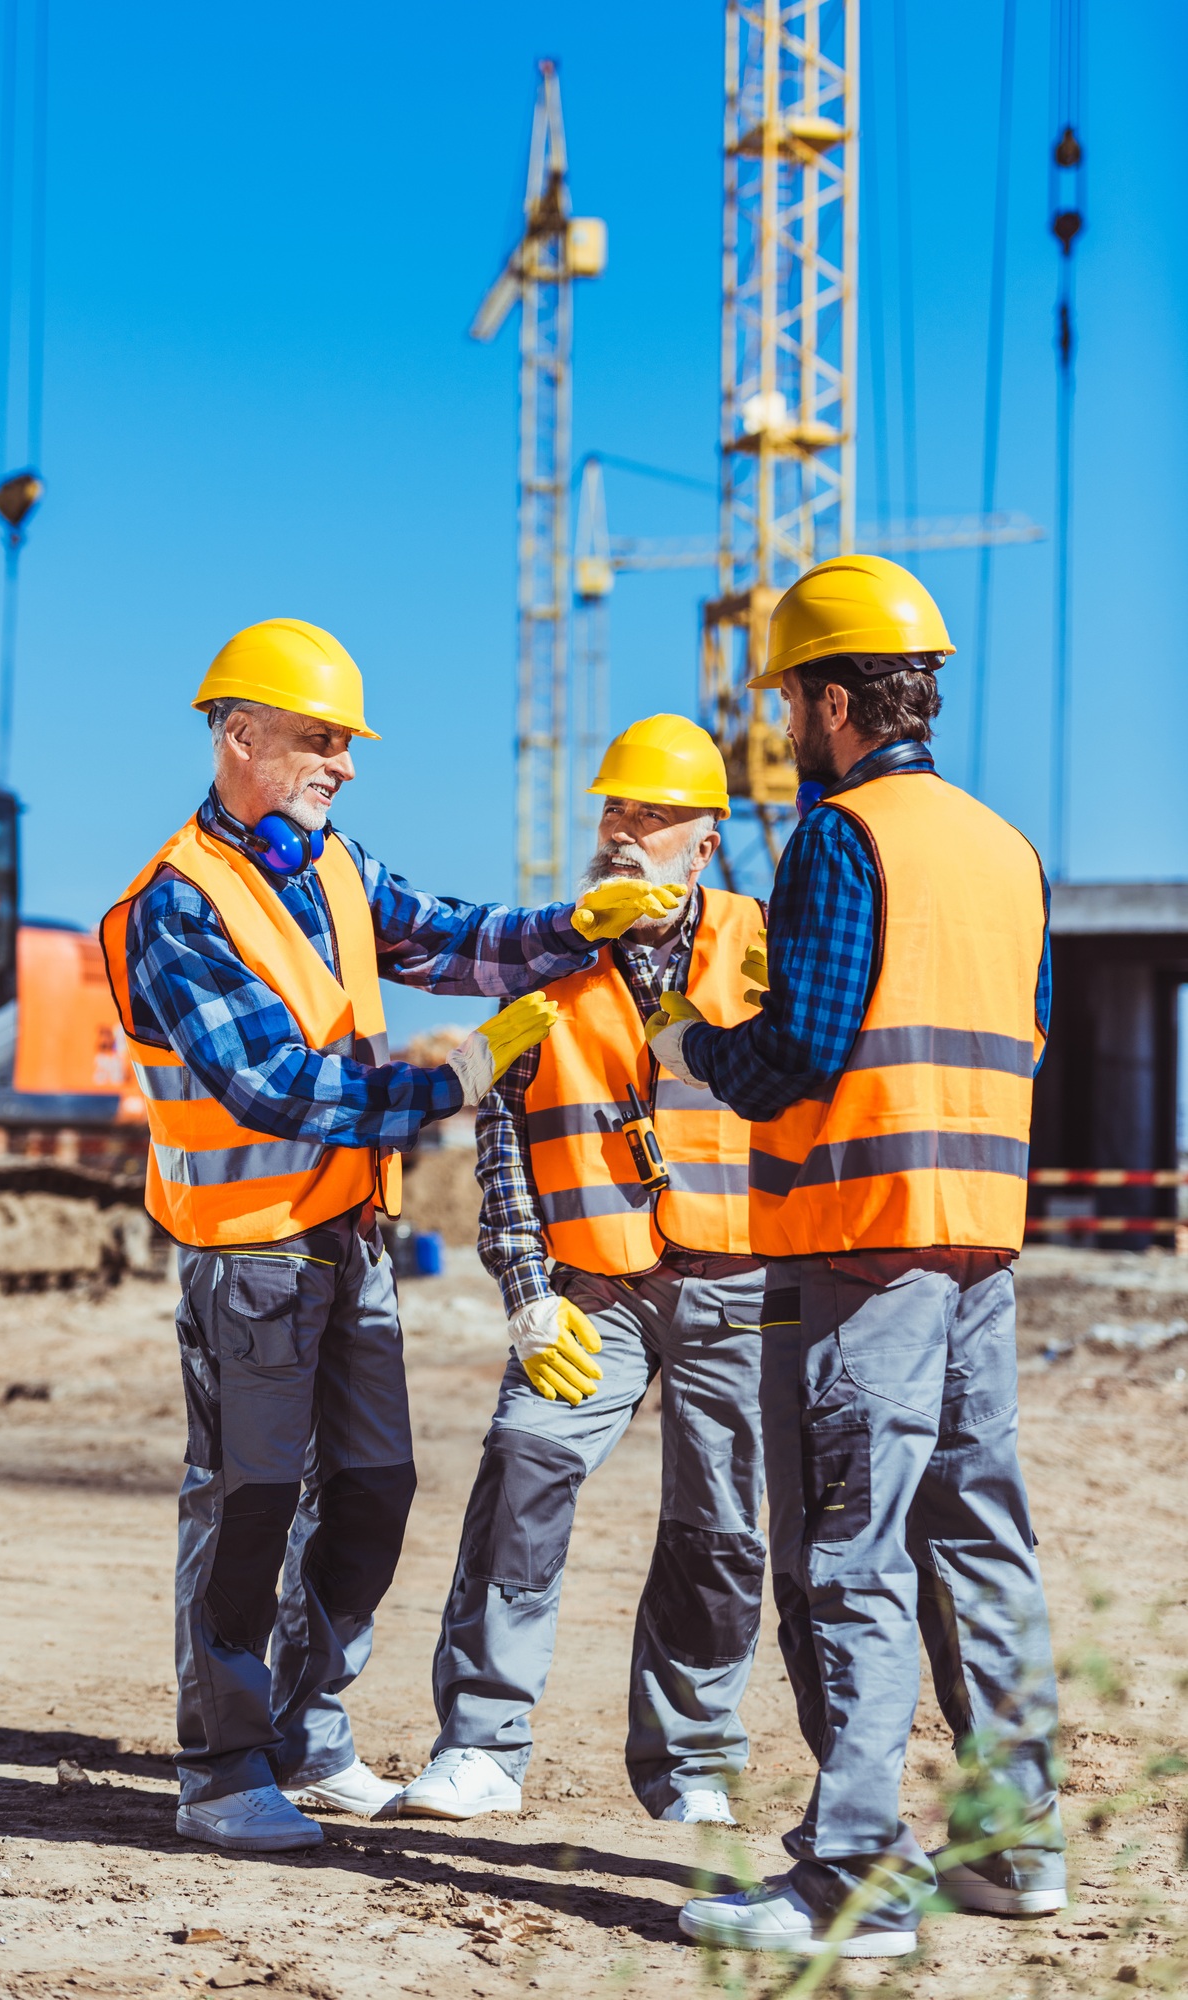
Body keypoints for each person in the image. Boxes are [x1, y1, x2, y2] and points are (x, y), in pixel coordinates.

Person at [100, 619, 682, 1853]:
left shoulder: (332, 867)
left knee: (371, 1488)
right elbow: (274, 1088)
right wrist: (458, 1077)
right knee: (246, 1503)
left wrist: (578, 922)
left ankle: (309, 1733)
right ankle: (220, 1766)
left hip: (346, 1241)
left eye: (346, 743)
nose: (344, 763)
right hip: (249, 1252)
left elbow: (458, 935)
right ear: (236, 733)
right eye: (321, 739)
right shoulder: (176, 906)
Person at [652, 558, 1065, 1960]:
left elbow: (798, 1053)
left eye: (785, 704)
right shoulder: (1003, 849)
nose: (777, 730)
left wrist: (689, 1047)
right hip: (979, 1256)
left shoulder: (839, 839)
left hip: (855, 1259)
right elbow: (1026, 1034)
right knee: (981, 1548)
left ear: (832, 702)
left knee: (851, 1559)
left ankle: (850, 1881)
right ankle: (1012, 1848)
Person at [389, 716, 770, 1826]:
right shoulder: (543, 959)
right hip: (590, 1291)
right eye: (612, 810)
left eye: (649, 814)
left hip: (738, 1287)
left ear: (705, 841)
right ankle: (480, 1745)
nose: (621, 832)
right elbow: (502, 1141)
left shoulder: (763, 947)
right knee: (522, 1467)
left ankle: (692, 1759)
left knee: (719, 1523)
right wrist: (525, 1294)